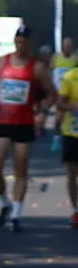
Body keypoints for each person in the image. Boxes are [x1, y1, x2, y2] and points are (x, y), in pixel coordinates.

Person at [0, 25, 56, 232]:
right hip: (2, 122)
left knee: (20, 170)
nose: (20, 45)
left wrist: (42, 112)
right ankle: (5, 202)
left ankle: (16, 214)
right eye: (17, 41)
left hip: (24, 123)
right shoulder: (2, 63)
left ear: (30, 44)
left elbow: (52, 94)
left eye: (24, 42)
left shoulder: (37, 67)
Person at [54, 62, 78, 228]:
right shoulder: (71, 77)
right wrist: (74, 106)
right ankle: (76, 210)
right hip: (72, 133)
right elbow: (60, 104)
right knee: (72, 175)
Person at [51, 36, 77, 151]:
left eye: (69, 46)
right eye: (65, 46)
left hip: (71, 92)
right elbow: (50, 72)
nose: (67, 48)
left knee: (71, 118)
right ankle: (56, 138)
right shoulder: (56, 57)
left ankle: (70, 137)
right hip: (59, 91)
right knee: (58, 118)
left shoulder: (75, 58)